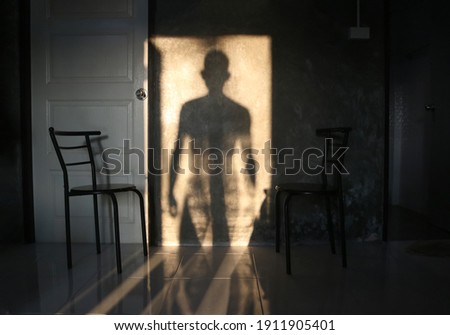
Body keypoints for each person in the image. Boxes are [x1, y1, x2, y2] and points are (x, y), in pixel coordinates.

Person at [169, 50, 255, 244]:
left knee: (221, 249)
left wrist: (256, 197)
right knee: (194, 254)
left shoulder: (239, 113)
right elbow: (178, 151)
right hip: (197, 191)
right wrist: (169, 192)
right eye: (212, 73)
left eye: (218, 73)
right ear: (204, 76)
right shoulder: (191, 109)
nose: (214, 79)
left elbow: (249, 157)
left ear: (225, 76)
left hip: (228, 191)